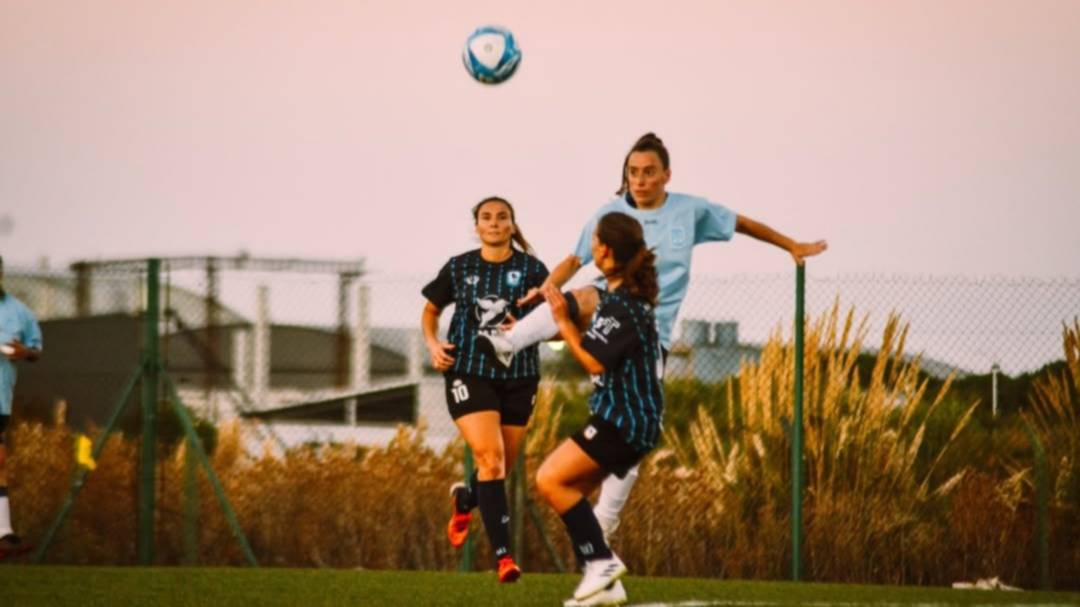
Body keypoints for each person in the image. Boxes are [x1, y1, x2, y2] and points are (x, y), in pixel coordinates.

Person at [480, 132, 828, 538]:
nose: (640, 180)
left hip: (649, 335)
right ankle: (508, 343)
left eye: (648, 172)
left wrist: (791, 245)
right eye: (633, 172)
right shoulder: (609, 214)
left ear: (666, 175)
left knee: (631, 429)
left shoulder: (690, 211)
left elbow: (742, 223)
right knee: (579, 297)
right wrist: (542, 292)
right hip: (610, 305)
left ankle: (606, 519)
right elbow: (574, 261)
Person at [534, 212, 663, 606]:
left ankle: (602, 564)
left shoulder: (623, 305)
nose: (590, 249)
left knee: (549, 480)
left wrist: (563, 321)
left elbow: (593, 361)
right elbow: (594, 347)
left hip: (622, 422)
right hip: (622, 419)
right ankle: (606, 585)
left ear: (605, 251)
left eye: (593, 242)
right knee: (570, 493)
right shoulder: (619, 301)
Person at [420, 197, 549, 583]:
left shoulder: (532, 269)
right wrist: (433, 344)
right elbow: (430, 311)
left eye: (501, 217)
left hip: (519, 375)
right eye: (486, 217)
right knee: (490, 459)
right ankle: (504, 559)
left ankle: (466, 499)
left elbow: (554, 318)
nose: (494, 223)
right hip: (469, 371)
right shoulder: (460, 266)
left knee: (500, 467)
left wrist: (524, 326)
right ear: (476, 226)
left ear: (512, 225)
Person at [0, 255, 43, 559]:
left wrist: (23, 351)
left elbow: (35, 351)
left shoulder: (20, 312)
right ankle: (4, 532)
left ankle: (3, 533)